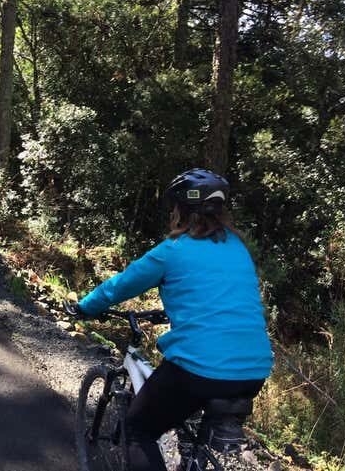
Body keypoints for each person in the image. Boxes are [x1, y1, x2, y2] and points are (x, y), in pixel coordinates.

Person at [67, 168, 273, 471]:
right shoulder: (237, 248)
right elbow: (222, 297)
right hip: (254, 368)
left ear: (181, 210)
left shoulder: (172, 251)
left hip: (201, 368)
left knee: (138, 430)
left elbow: (120, 286)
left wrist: (84, 307)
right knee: (195, 436)